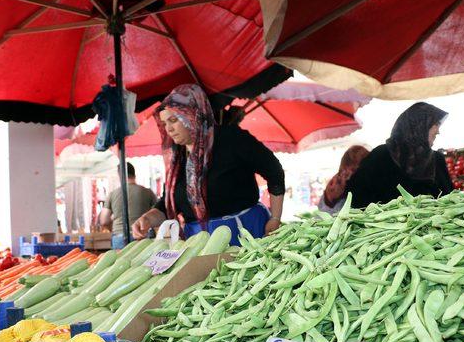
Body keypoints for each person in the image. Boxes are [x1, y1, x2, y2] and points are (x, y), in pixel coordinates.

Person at [132, 84, 285, 245]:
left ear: (192, 115)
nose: (168, 129)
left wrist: (275, 218)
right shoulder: (178, 158)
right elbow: (169, 202)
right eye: (164, 123)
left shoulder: (232, 139)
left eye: (173, 120)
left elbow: (274, 171)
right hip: (199, 242)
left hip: (245, 232)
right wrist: (148, 218)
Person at [346, 102, 453, 209]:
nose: (438, 131)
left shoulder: (437, 160)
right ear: (418, 124)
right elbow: (357, 199)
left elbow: (450, 200)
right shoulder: (380, 157)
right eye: (436, 124)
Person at [99, 162, 157, 249]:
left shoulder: (113, 194)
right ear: (134, 174)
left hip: (119, 236)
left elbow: (104, 221)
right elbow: (157, 214)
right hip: (142, 235)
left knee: (121, 261)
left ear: (120, 175)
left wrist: (113, 229)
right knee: (143, 262)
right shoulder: (148, 192)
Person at [319, 146, 370, 214]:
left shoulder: (366, 187)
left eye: (354, 171)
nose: (349, 177)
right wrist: (329, 198)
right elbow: (324, 217)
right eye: (345, 172)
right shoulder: (336, 184)